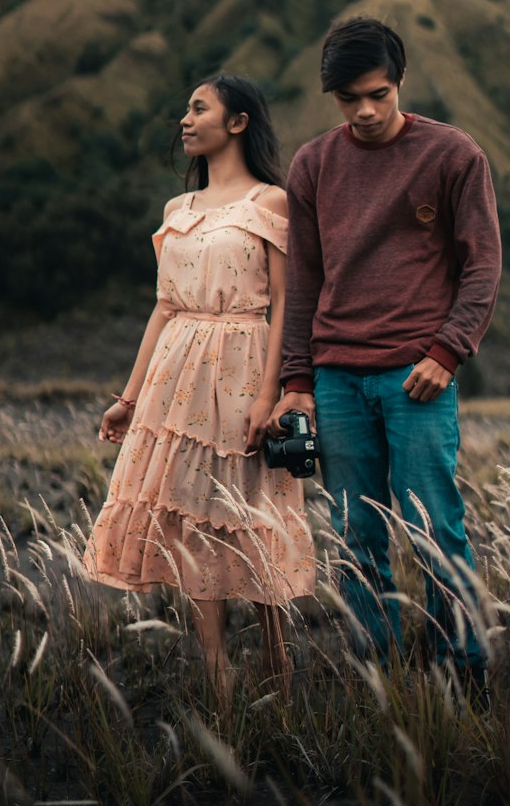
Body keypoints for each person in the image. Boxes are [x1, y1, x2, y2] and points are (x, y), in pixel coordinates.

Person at [270, 17, 502, 689]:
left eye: (378, 93)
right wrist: (296, 380)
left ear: (400, 82)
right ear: (331, 96)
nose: (366, 111)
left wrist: (449, 351)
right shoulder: (313, 164)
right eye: (349, 99)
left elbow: (482, 266)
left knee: (436, 528)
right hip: (337, 377)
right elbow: (305, 277)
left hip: (417, 377)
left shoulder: (454, 155)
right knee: (354, 533)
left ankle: (464, 671)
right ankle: (382, 669)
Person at [84, 75, 315, 700]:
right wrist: (129, 400)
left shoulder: (271, 202)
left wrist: (270, 393)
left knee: (251, 512)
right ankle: (217, 672)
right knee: (190, 516)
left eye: (198, 108)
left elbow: (288, 304)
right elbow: (162, 309)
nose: (184, 120)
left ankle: (277, 661)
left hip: (242, 365)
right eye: (185, 109)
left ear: (237, 122)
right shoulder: (177, 211)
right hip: (175, 375)